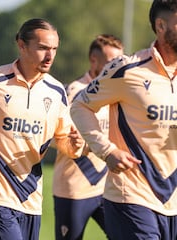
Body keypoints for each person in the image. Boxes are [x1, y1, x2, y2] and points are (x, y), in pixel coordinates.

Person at [0, 18, 85, 240]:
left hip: (31, 195)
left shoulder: (56, 90)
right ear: (22, 45)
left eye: (54, 49)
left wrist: (75, 145)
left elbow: (65, 142)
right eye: (42, 48)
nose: (50, 56)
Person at [70, 1, 177, 239]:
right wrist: (107, 150)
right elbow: (80, 105)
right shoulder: (127, 69)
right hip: (132, 196)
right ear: (161, 25)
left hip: (173, 201)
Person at [53, 34, 124, 240]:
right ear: (94, 60)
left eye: (120, 61)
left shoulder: (118, 93)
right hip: (74, 189)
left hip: (108, 188)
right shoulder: (75, 93)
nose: (117, 66)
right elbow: (56, 136)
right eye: (112, 61)